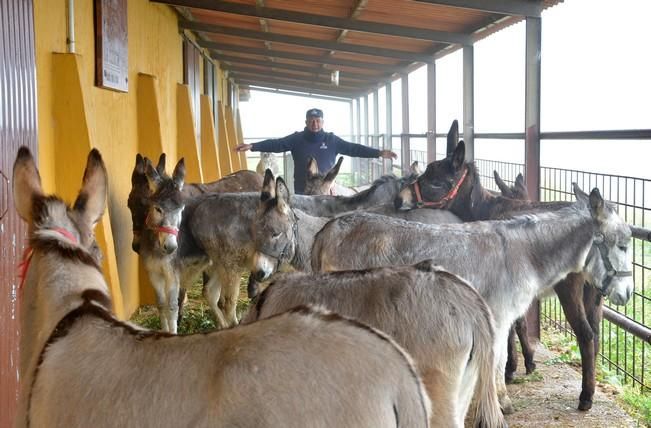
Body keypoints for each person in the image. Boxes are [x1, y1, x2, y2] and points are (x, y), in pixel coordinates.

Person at [235, 108, 398, 194]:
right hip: (302, 190)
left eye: (318, 120)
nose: (315, 124)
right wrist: (253, 146)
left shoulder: (331, 140)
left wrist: (378, 153)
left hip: (326, 190)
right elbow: (277, 144)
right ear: (306, 122)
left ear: (323, 122)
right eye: (311, 121)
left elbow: (353, 148)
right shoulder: (297, 139)